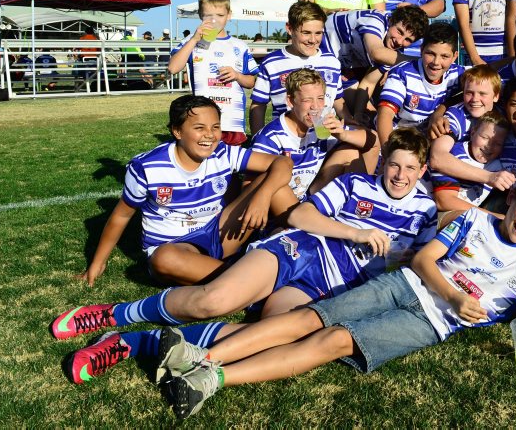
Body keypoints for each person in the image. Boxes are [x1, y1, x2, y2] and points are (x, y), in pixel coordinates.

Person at [156, 168, 516, 419]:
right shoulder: (474, 221)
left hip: (431, 323)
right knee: (310, 317)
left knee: (333, 340)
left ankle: (212, 380)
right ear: (511, 201)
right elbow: (424, 262)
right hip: (404, 284)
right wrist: (455, 296)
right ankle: (199, 357)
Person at [58, 128, 437, 385]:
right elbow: (301, 214)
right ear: (383, 161)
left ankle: (129, 343)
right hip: (299, 250)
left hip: (328, 285)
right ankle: (113, 314)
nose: (399, 175)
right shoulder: (355, 183)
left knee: (268, 338)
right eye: (393, 164)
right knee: (214, 301)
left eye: (409, 168)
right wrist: (356, 232)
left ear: (422, 170)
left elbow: (420, 261)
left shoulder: (426, 212)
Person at [66, 95, 294, 290]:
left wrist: (263, 196)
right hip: (176, 247)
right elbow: (121, 215)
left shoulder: (223, 152)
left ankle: (303, 247)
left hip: (218, 232)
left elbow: (282, 164)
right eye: (199, 128)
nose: (210, 135)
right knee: (163, 260)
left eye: (215, 127)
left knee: (272, 182)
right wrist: (97, 263)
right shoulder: (147, 167)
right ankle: (257, 279)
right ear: (177, 131)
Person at [250, 69, 377, 200]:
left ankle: (356, 207)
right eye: (307, 100)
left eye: (320, 98)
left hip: (311, 197)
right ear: (290, 101)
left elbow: (375, 142)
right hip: (281, 202)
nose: (315, 106)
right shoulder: (271, 136)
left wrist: (343, 135)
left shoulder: (322, 124)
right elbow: (250, 184)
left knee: (351, 152)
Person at [168, 0, 258, 144]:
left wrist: (237, 76)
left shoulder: (239, 45)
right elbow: (173, 68)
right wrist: (194, 40)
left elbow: (251, 82)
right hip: (202, 120)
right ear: (200, 15)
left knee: (232, 165)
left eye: (220, 15)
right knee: (203, 162)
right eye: (208, 16)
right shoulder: (192, 41)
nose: (214, 20)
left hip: (232, 122)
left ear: (229, 15)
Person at [249, 1, 342, 135]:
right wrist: (258, 138)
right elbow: (258, 105)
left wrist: (349, 119)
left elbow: (337, 98)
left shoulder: (332, 62)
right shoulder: (271, 63)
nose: (313, 39)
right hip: (286, 140)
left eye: (318, 33)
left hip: (323, 139)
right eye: (306, 32)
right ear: (289, 28)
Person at [375, 22, 465, 144]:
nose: (436, 62)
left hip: (427, 138)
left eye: (444, 56)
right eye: (431, 53)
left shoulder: (457, 74)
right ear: (421, 49)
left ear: (455, 56)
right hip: (397, 136)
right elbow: (385, 115)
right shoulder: (403, 73)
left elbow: (487, 80)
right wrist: (388, 152)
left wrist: (441, 109)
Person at [431, 110, 510, 214]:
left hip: (469, 215)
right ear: (473, 133)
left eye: (498, 143)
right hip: (438, 213)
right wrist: (490, 217)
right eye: (484, 137)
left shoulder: (498, 165)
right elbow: (444, 201)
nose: (489, 146)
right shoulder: (453, 155)